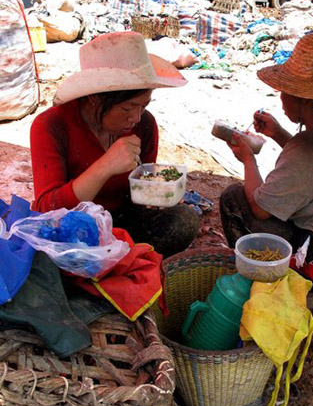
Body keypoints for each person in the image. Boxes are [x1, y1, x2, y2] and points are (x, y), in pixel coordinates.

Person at [30, 31, 200, 257]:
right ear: (94, 99)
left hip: (120, 222)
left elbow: (141, 187)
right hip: (72, 230)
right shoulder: (50, 126)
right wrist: (105, 166)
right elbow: (48, 209)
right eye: (127, 109)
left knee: (184, 220)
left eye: (144, 106)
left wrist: (156, 194)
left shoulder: (145, 125)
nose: (136, 118)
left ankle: (127, 261)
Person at [220, 32, 313, 288]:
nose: (281, 97)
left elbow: (259, 209)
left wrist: (248, 159)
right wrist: (278, 134)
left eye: (285, 90)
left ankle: (260, 282)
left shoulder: (304, 149)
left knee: (233, 198)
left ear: (304, 97)